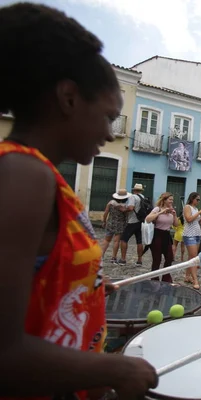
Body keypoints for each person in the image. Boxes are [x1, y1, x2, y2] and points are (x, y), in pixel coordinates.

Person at [0, 3, 157, 397]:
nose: (108, 132)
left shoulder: (46, 177)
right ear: (69, 97)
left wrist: (83, 287)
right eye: (107, 115)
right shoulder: (23, 175)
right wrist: (115, 370)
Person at [145, 192, 180, 283]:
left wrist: (174, 215)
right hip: (157, 235)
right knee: (157, 259)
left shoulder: (172, 210)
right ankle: (154, 279)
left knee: (169, 257)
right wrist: (161, 212)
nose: (172, 201)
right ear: (164, 200)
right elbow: (148, 219)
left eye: (172, 200)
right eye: (170, 199)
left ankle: (166, 277)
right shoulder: (158, 209)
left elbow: (176, 224)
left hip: (167, 235)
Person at [182, 192, 201, 289]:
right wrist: (200, 212)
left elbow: (199, 222)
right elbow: (188, 219)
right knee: (194, 257)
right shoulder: (187, 207)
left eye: (199, 200)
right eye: (197, 199)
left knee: (191, 257)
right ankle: (195, 280)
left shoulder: (196, 209)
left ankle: (187, 276)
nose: (198, 201)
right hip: (189, 234)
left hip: (197, 234)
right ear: (192, 199)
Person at [119, 183, 146, 266]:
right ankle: (139, 260)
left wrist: (124, 210)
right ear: (141, 190)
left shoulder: (132, 197)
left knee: (124, 239)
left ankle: (123, 259)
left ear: (134, 190)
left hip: (132, 221)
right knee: (139, 241)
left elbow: (131, 208)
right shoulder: (143, 197)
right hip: (141, 221)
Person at [101, 189, 129, 263]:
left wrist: (104, 221)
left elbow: (106, 213)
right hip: (120, 225)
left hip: (110, 223)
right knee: (116, 241)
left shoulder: (111, 203)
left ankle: (101, 255)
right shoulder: (125, 206)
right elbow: (126, 216)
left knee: (106, 240)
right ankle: (113, 257)